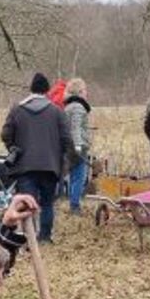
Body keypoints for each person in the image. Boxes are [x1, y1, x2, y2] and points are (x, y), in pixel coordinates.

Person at [1, 72, 72, 243]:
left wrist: (13, 149)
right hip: (50, 166)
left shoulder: (17, 109)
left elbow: (5, 134)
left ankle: (29, 238)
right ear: (47, 90)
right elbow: (67, 139)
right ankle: (45, 237)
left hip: (25, 166)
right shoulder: (57, 111)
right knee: (47, 204)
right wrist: (65, 161)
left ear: (31, 89)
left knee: (27, 204)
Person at [62, 78, 93, 214]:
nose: (87, 93)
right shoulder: (78, 107)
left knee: (71, 176)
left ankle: (71, 202)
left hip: (68, 147)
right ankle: (75, 206)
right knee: (79, 176)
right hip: (78, 148)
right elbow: (75, 127)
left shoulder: (68, 106)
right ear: (80, 91)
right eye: (85, 90)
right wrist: (79, 145)